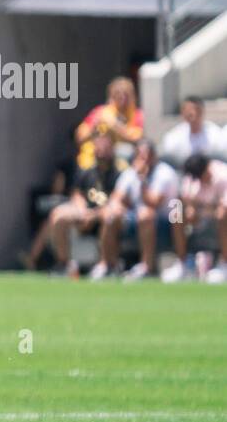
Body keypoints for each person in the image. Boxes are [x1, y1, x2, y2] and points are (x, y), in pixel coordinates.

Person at [38, 131, 120, 277]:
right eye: (98, 146)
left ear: (112, 148)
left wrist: (93, 216)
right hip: (85, 213)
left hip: (105, 216)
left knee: (110, 215)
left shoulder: (119, 174)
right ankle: (65, 264)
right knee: (58, 215)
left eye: (105, 146)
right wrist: (82, 211)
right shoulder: (86, 173)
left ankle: (106, 265)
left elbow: (116, 201)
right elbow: (77, 195)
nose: (100, 150)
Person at [95, 139, 178, 281]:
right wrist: (116, 207)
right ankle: (107, 264)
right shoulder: (129, 173)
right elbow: (116, 197)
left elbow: (153, 203)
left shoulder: (165, 173)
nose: (142, 160)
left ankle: (146, 266)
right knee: (110, 215)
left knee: (146, 215)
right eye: (139, 156)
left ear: (154, 157)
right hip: (135, 219)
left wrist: (142, 179)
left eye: (146, 156)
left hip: (166, 222)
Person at [163, 153, 227, 283]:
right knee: (176, 212)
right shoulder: (193, 176)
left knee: (222, 215)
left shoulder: (223, 175)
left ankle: (225, 263)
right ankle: (182, 264)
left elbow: (223, 207)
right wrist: (190, 209)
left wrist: (206, 210)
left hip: (219, 218)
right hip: (202, 216)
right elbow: (185, 199)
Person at [75, 76, 143, 171]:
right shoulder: (101, 112)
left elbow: (137, 138)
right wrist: (95, 125)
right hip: (96, 158)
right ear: (111, 96)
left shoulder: (137, 114)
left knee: (125, 151)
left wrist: (114, 124)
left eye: (125, 95)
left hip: (121, 160)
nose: (122, 98)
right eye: (117, 94)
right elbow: (80, 136)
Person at [158, 96, 226, 170]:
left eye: (196, 110)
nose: (193, 113)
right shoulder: (173, 137)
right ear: (182, 113)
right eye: (188, 111)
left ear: (202, 111)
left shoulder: (216, 134)